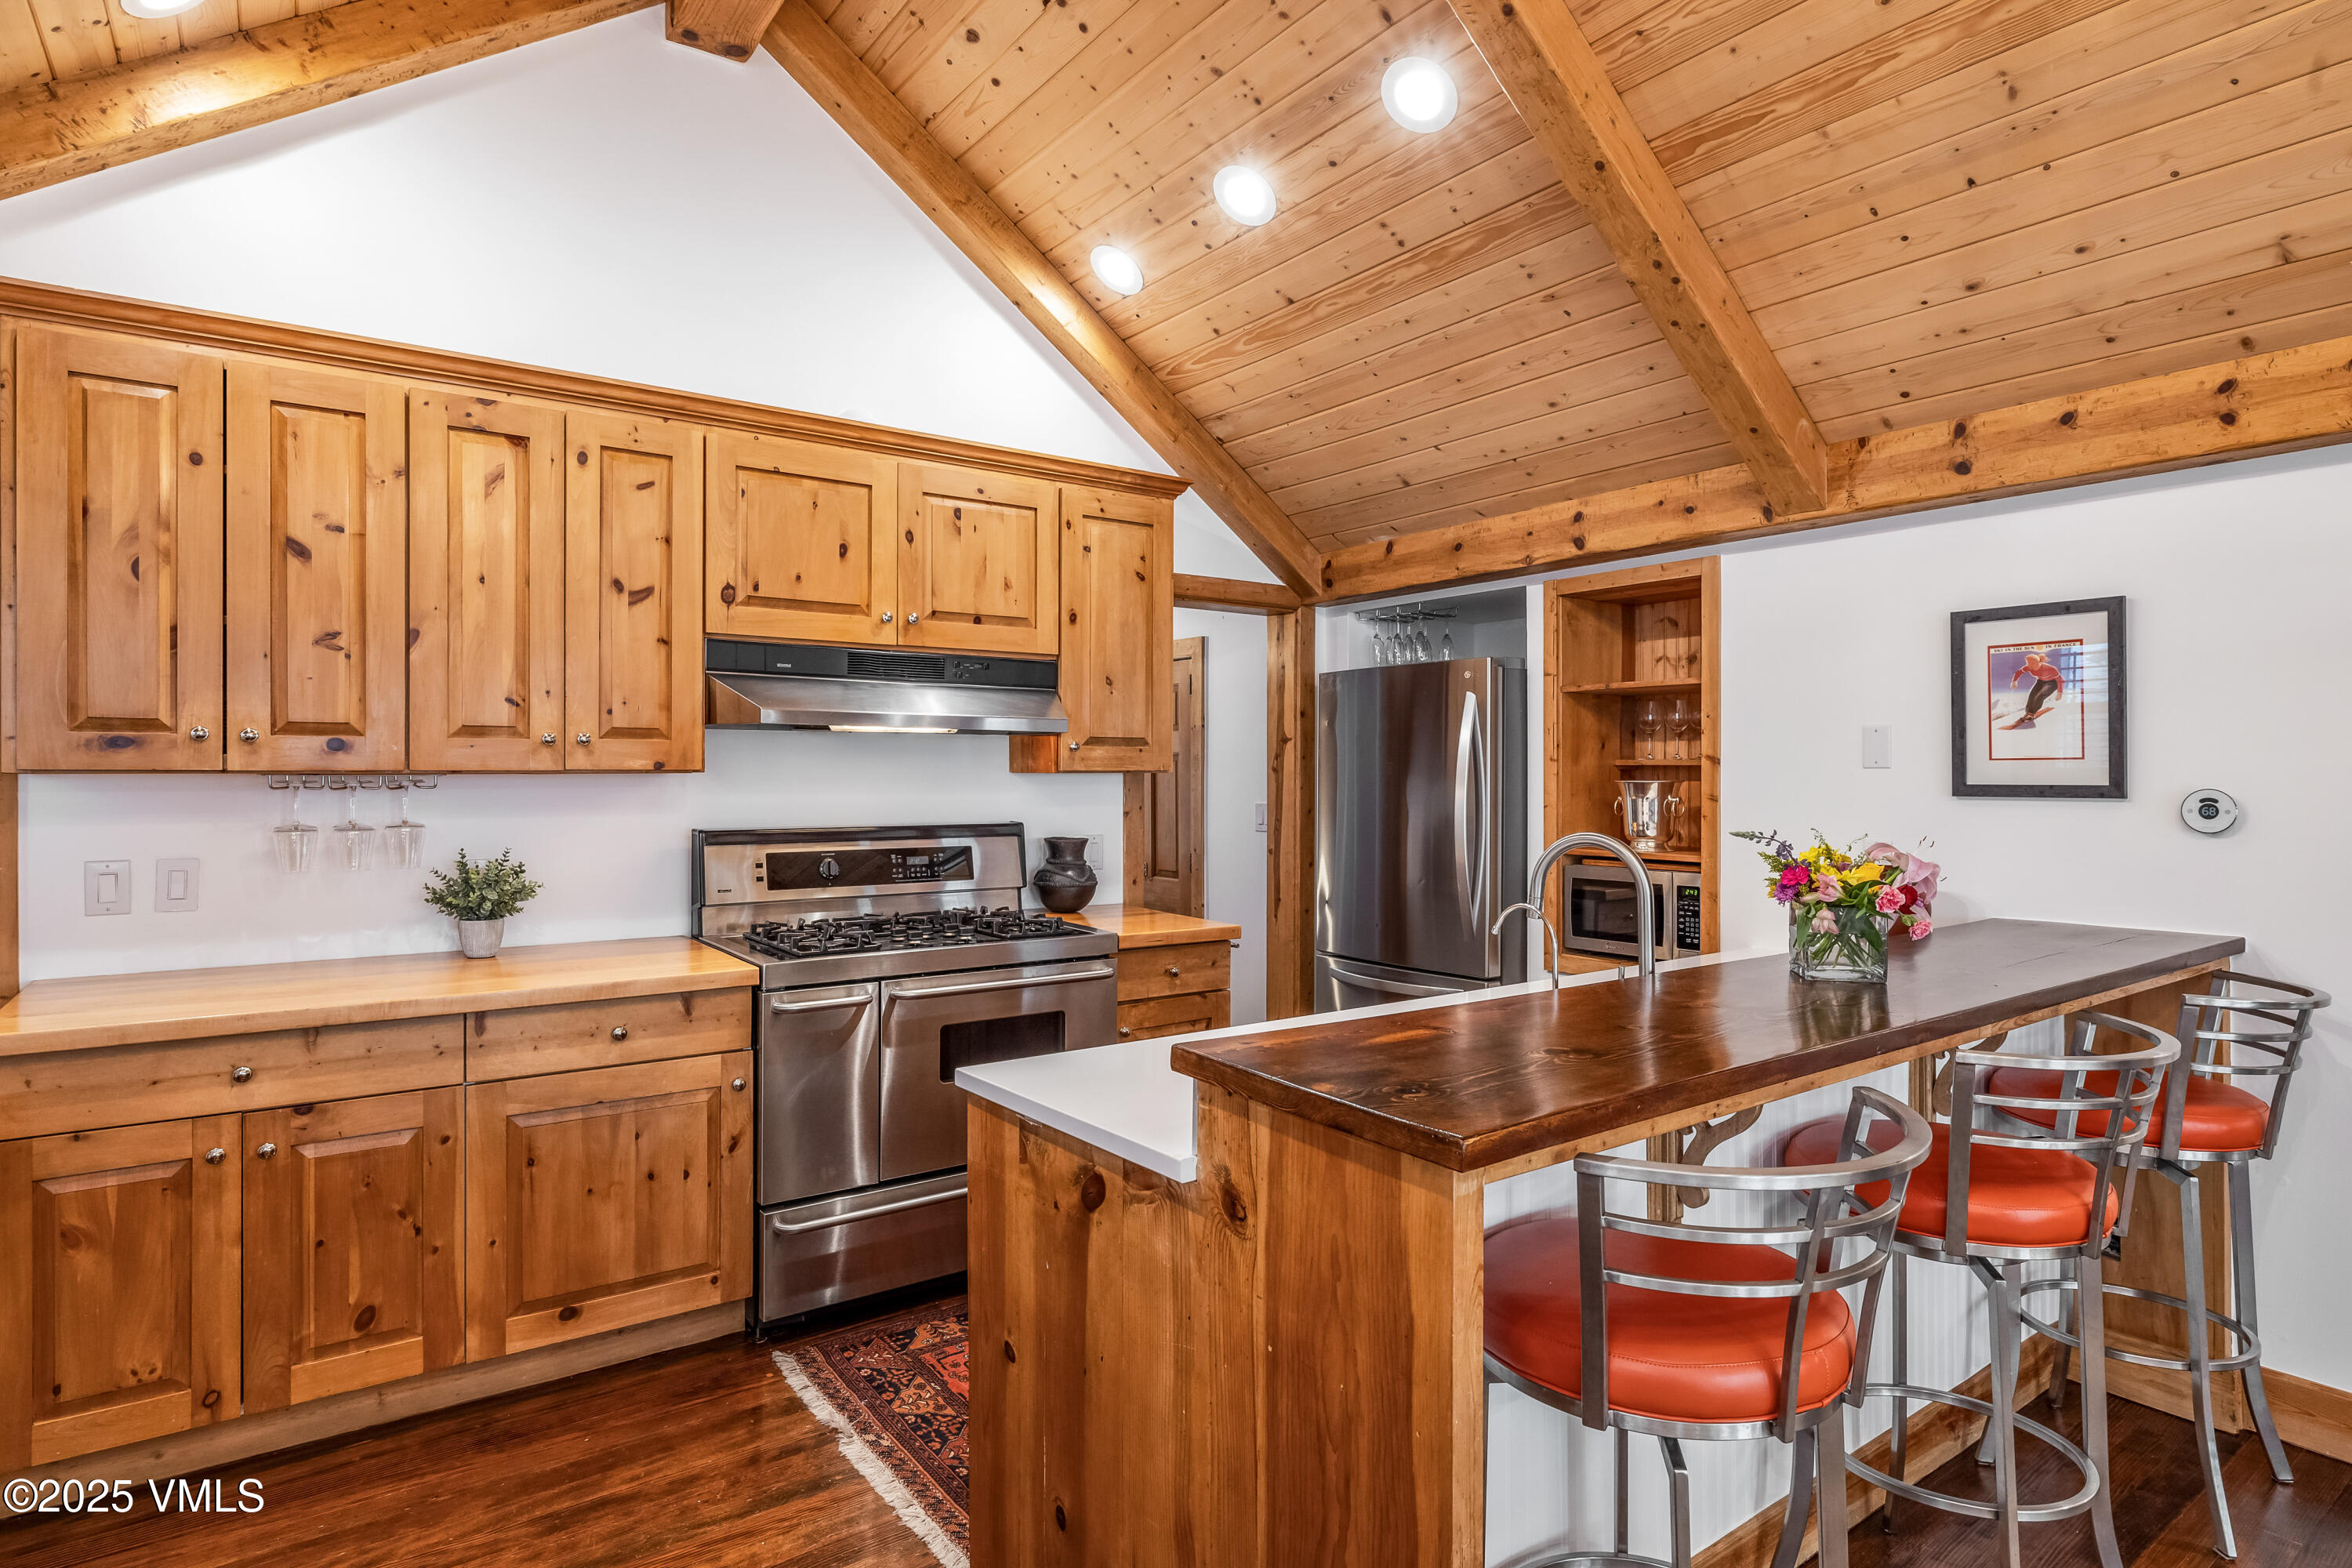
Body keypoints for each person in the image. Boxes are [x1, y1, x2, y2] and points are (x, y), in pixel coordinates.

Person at [2005, 648, 2065, 730]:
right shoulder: (2029, 667)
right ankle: (2028, 712)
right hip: (2041, 682)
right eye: (2029, 664)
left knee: (2040, 696)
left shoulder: (2051, 669)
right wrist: (2014, 682)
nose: (2032, 666)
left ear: (2039, 662)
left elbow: (2061, 680)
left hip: (2052, 683)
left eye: (2033, 664)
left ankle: (2031, 714)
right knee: (2032, 695)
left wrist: (2060, 693)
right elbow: (2019, 672)